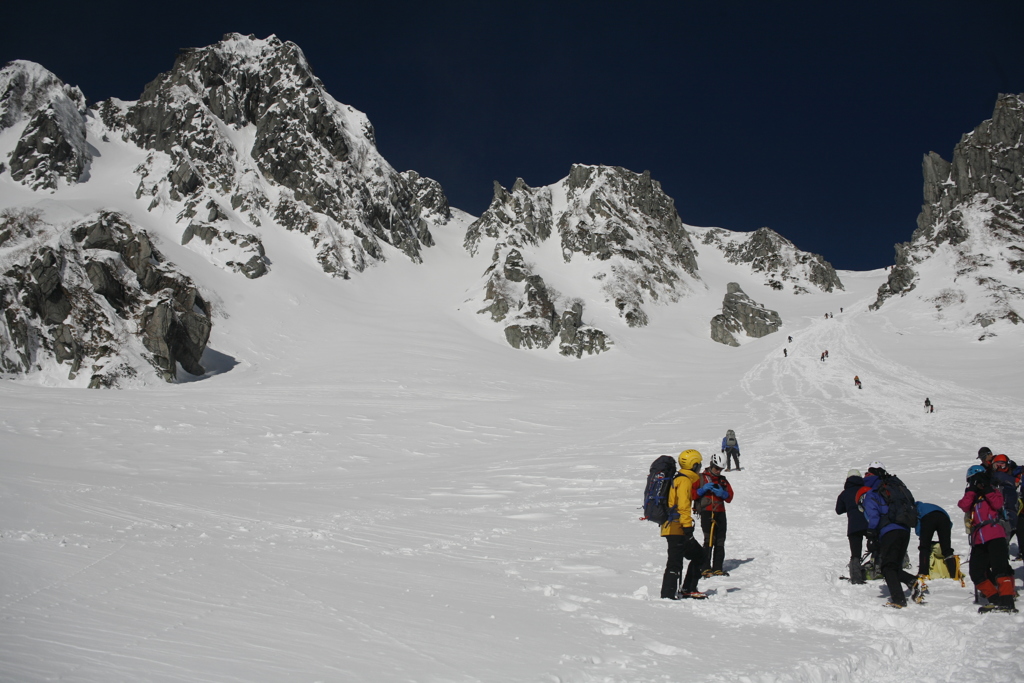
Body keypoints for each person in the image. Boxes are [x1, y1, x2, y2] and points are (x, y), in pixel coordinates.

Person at [857, 461, 918, 608]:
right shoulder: (896, 488)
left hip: (889, 531)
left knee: (887, 567)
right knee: (894, 566)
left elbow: (874, 516)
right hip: (905, 529)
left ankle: (898, 599)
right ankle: (913, 582)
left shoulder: (873, 493)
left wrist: (871, 534)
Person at [958, 465, 1016, 613]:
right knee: (976, 571)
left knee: (1000, 568)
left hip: (995, 533)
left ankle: (1007, 600)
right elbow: (963, 505)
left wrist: (986, 489)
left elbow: (997, 504)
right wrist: (972, 490)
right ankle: (995, 599)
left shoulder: (993, 491)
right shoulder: (972, 496)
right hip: (978, 538)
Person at [659, 449, 708, 600]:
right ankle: (670, 595)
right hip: (677, 527)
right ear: (694, 466)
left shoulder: (678, 478)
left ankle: (685, 589)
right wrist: (687, 527)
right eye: (698, 465)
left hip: (671, 526)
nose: (700, 468)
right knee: (678, 561)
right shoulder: (685, 480)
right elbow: (683, 506)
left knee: (694, 556)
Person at [693, 453, 734, 577]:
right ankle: (705, 567)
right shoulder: (701, 478)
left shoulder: (722, 480)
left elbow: (730, 497)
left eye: (720, 469)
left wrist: (724, 494)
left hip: (720, 512)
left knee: (720, 540)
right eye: (717, 468)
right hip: (707, 512)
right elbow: (692, 495)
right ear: (711, 465)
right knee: (709, 539)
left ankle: (717, 567)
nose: (718, 471)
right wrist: (702, 490)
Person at [835, 469, 868, 583]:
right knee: (876, 548)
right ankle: (880, 570)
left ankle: (856, 578)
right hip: (870, 524)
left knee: (855, 553)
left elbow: (838, 510)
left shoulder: (845, 493)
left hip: (854, 526)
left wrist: (849, 506)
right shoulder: (867, 490)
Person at [914, 502, 956, 579]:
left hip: (928, 518)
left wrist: (922, 536)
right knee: (947, 549)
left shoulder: (916, 508)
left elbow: (919, 524)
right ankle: (954, 573)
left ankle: (923, 572)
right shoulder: (929, 506)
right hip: (944, 518)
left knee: (924, 548)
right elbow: (949, 524)